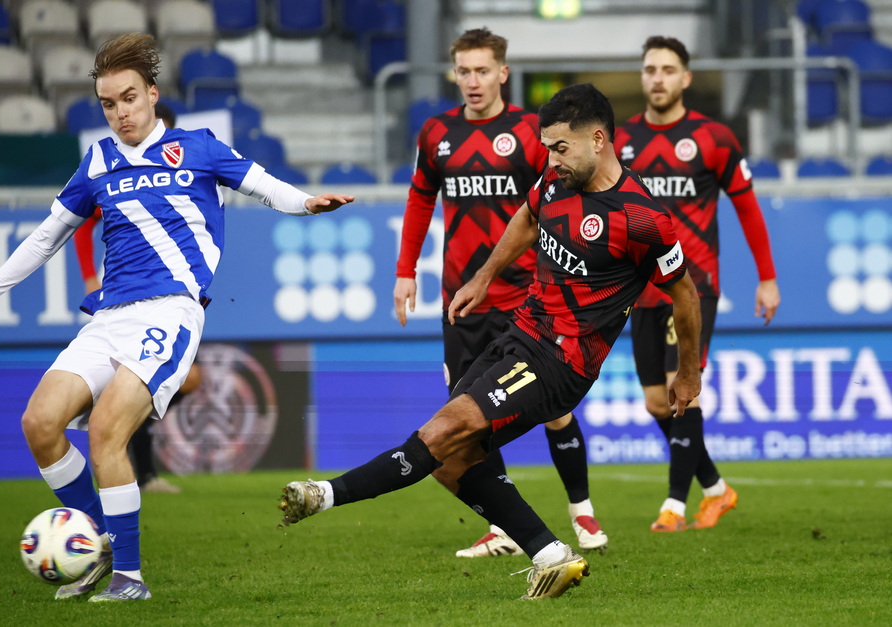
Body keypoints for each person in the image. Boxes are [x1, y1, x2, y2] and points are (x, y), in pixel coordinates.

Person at [0, 33, 353, 602]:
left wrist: (306, 201)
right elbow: (47, 237)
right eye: (108, 104)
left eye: (130, 99)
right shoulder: (97, 162)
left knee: (106, 434)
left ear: (152, 94)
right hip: (108, 316)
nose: (121, 113)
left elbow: (264, 186)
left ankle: (129, 579)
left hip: (170, 310)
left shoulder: (198, 147)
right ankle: (98, 542)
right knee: (40, 424)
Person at [281, 83, 702, 600]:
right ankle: (550, 556)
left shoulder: (642, 217)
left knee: (442, 433)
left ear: (598, 139)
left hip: (561, 362)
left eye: (560, 147)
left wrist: (688, 371)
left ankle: (321, 496)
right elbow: (527, 217)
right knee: (449, 460)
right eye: (547, 147)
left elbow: (685, 295)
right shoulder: (556, 180)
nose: (550, 158)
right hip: (520, 333)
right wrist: (483, 276)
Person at [393, 27, 608, 559]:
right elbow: (421, 202)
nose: (472, 81)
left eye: (482, 70)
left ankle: (582, 512)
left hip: (526, 298)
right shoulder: (436, 134)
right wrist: (405, 270)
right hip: (461, 299)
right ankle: (506, 529)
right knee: (469, 415)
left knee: (555, 412)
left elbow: (556, 204)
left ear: (503, 73)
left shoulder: (532, 135)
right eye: (463, 71)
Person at [613, 36, 781, 532]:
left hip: (693, 284)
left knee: (679, 388)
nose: (657, 78)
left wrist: (767, 278)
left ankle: (674, 506)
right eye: (649, 69)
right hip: (639, 288)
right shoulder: (619, 142)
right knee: (654, 402)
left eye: (667, 69)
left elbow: (748, 210)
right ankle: (716, 489)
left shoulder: (714, 138)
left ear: (685, 78)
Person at [73, 101, 195, 495]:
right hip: (121, 301)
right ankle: (137, 471)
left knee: (186, 380)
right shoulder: (118, 173)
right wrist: (90, 277)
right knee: (136, 387)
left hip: (171, 300)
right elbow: (80, 224)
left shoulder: (181, 173)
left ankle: (131, 452)